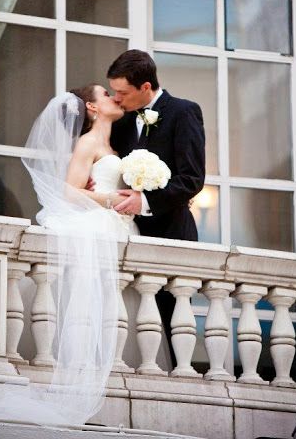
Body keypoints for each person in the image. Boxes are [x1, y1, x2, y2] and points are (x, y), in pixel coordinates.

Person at [0, 85, 137, 426]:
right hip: (105, 223)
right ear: (92, 108)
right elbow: (68, 190)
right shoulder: (89, 142)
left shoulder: (110, 145)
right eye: (106, 93)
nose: (114, 96)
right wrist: (110, 200)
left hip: (119, 226)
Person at [108, 49, 206, 366]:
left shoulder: (184, 112)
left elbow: (191, 179)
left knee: (172, 323)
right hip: (126, 236)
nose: (116, 98)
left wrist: (145, 201)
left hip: (172, 234)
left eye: (122, 92)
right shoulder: (120, 124)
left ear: (146, 87)